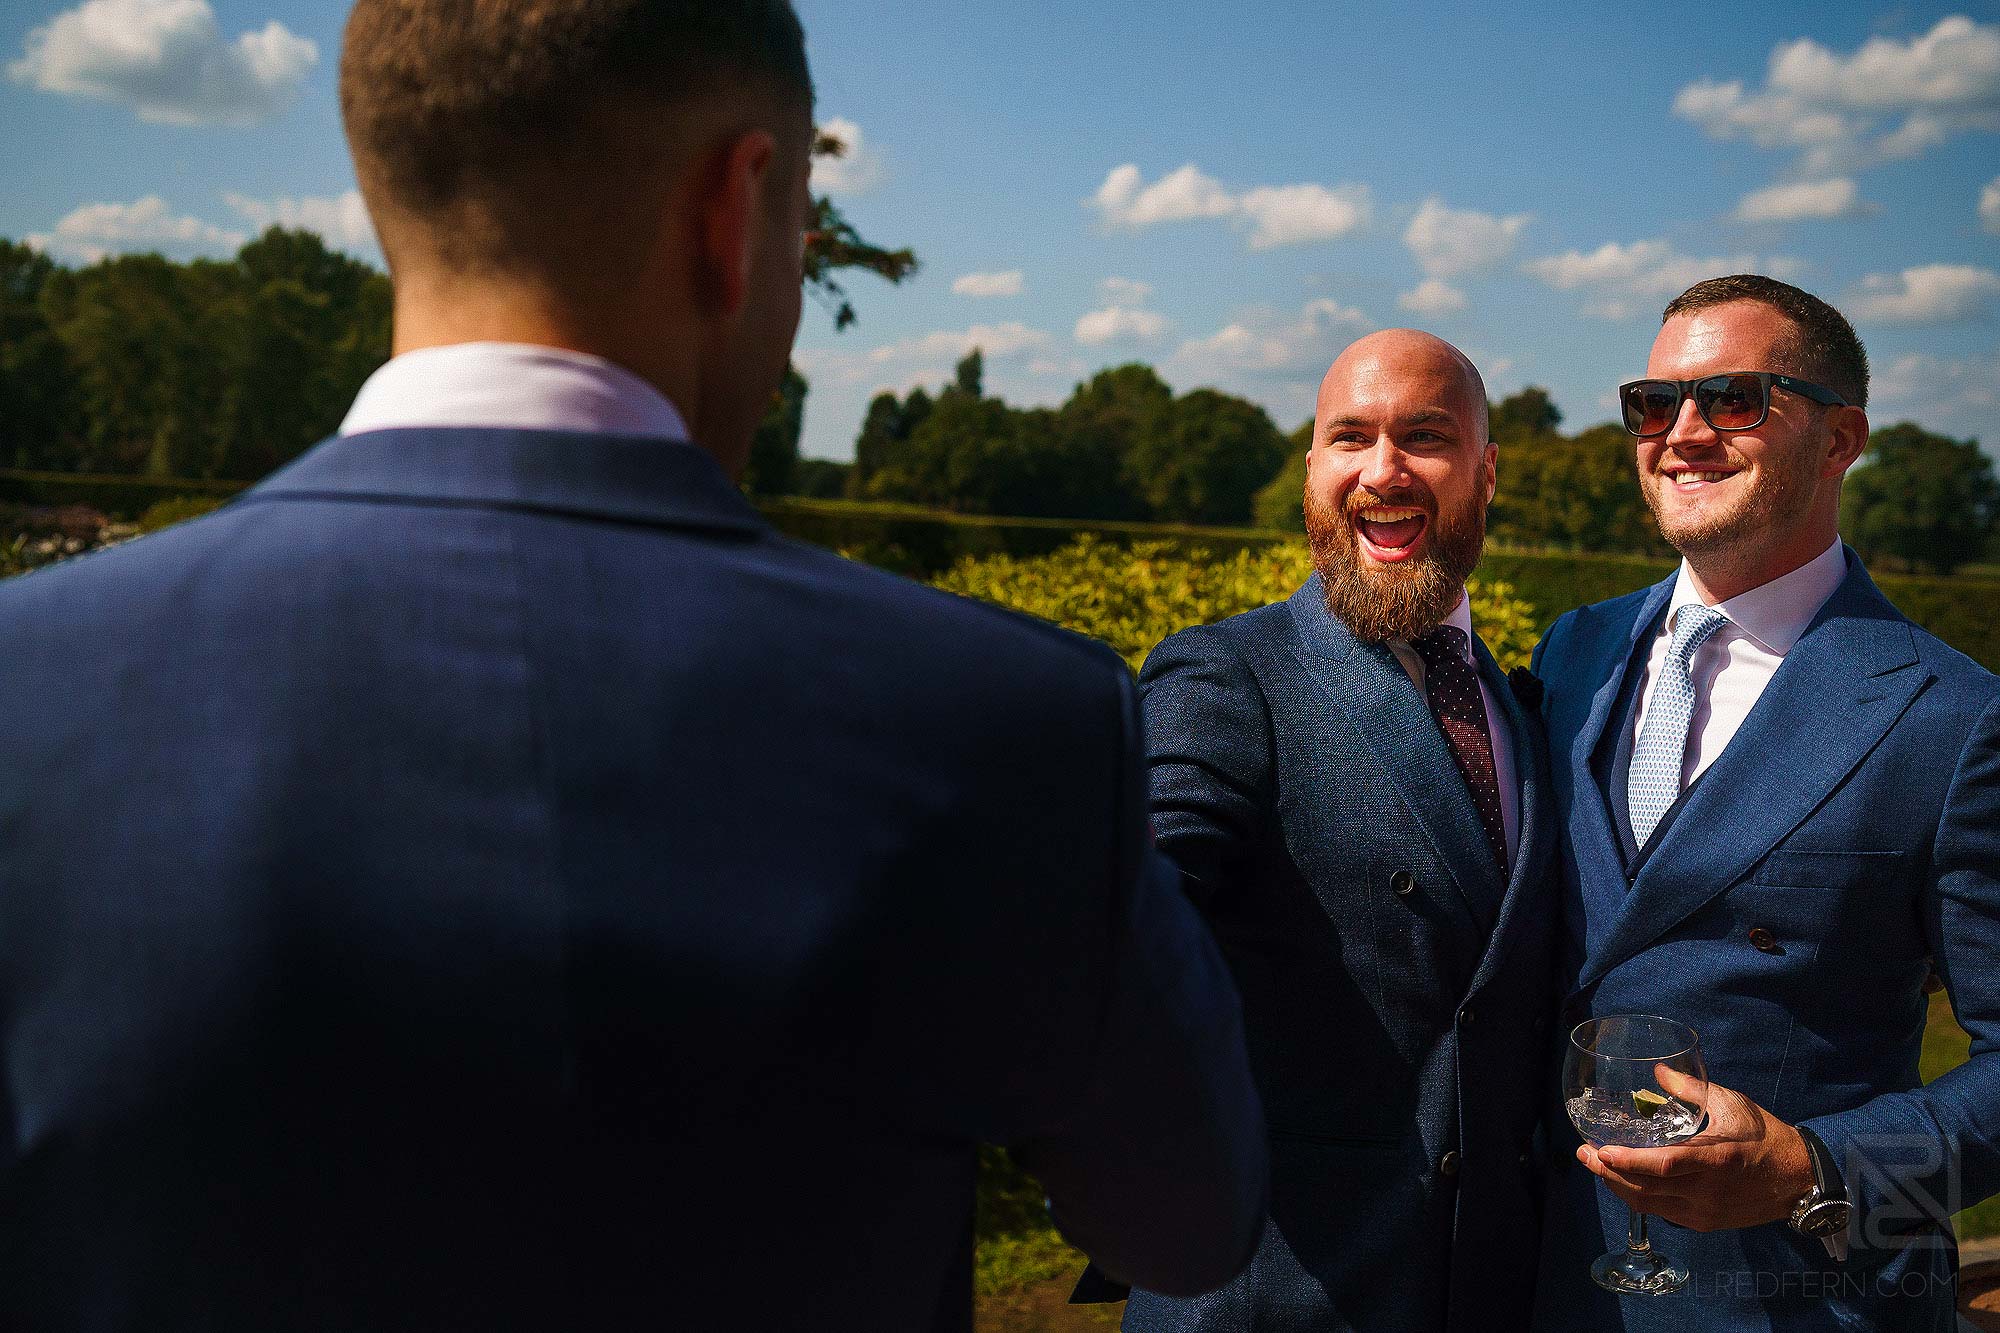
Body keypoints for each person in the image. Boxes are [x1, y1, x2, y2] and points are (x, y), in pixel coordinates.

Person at [0, 2, 1268, 1328]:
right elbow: (1186, 1220)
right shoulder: (1006, 720)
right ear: (735, 209)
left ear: (392, 189)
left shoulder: (27, 683)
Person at [1531, 274, 2000, 1331]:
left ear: (1840, 439)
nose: (1681, 432)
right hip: (1549, 1281)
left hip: (1793, 1298)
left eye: (1733, 398)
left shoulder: (1955, 716)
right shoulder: (1573, 652)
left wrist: (1814, 1168)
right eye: (1652, 403)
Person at [1083, 330, 1558, 1332]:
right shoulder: (1226, 674)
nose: (1382, 470)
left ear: (1486, 473)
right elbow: (1131, 901)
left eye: (1424, 436)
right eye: (1350, 437)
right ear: (1311, 471)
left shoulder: (1523, 713)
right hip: (1269, 1296)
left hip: (1482, 1295)